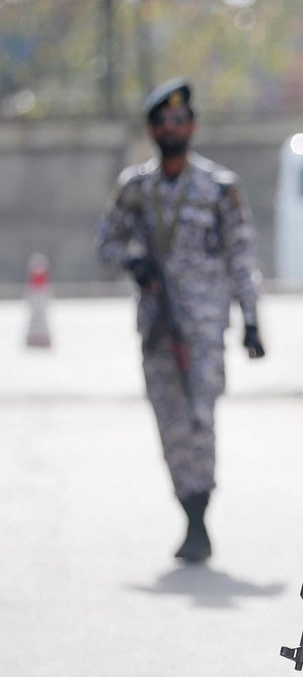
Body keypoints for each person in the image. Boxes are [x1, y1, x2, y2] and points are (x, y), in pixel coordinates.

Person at [95, 78, 266, 564]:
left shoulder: (219, 188)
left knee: (199, 418)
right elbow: (105, 241)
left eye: (181, 119)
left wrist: (251, 320)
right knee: (171, 422)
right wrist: (135, 261)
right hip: (156, 326)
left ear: (192, 126)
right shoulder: (135, 187)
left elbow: (240, 254)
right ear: (152, 129)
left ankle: (199, 514)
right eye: (164, 121)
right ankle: (189, 511)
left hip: (206, 325)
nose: (173, 127)